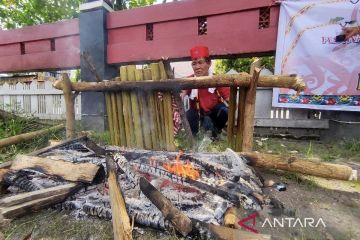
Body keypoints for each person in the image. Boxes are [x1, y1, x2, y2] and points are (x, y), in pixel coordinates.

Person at [181, 46, 230, 139]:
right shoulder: (189, 80)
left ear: (209, 63)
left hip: (213, 115)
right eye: (194, 64)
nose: (197, 67)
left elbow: (231, 101)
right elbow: (180, 94)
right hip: (198, 115)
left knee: (225, 110)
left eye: (200, 62)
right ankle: (194, 137)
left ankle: (216, 131)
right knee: (189, 114)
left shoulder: (218, 80)